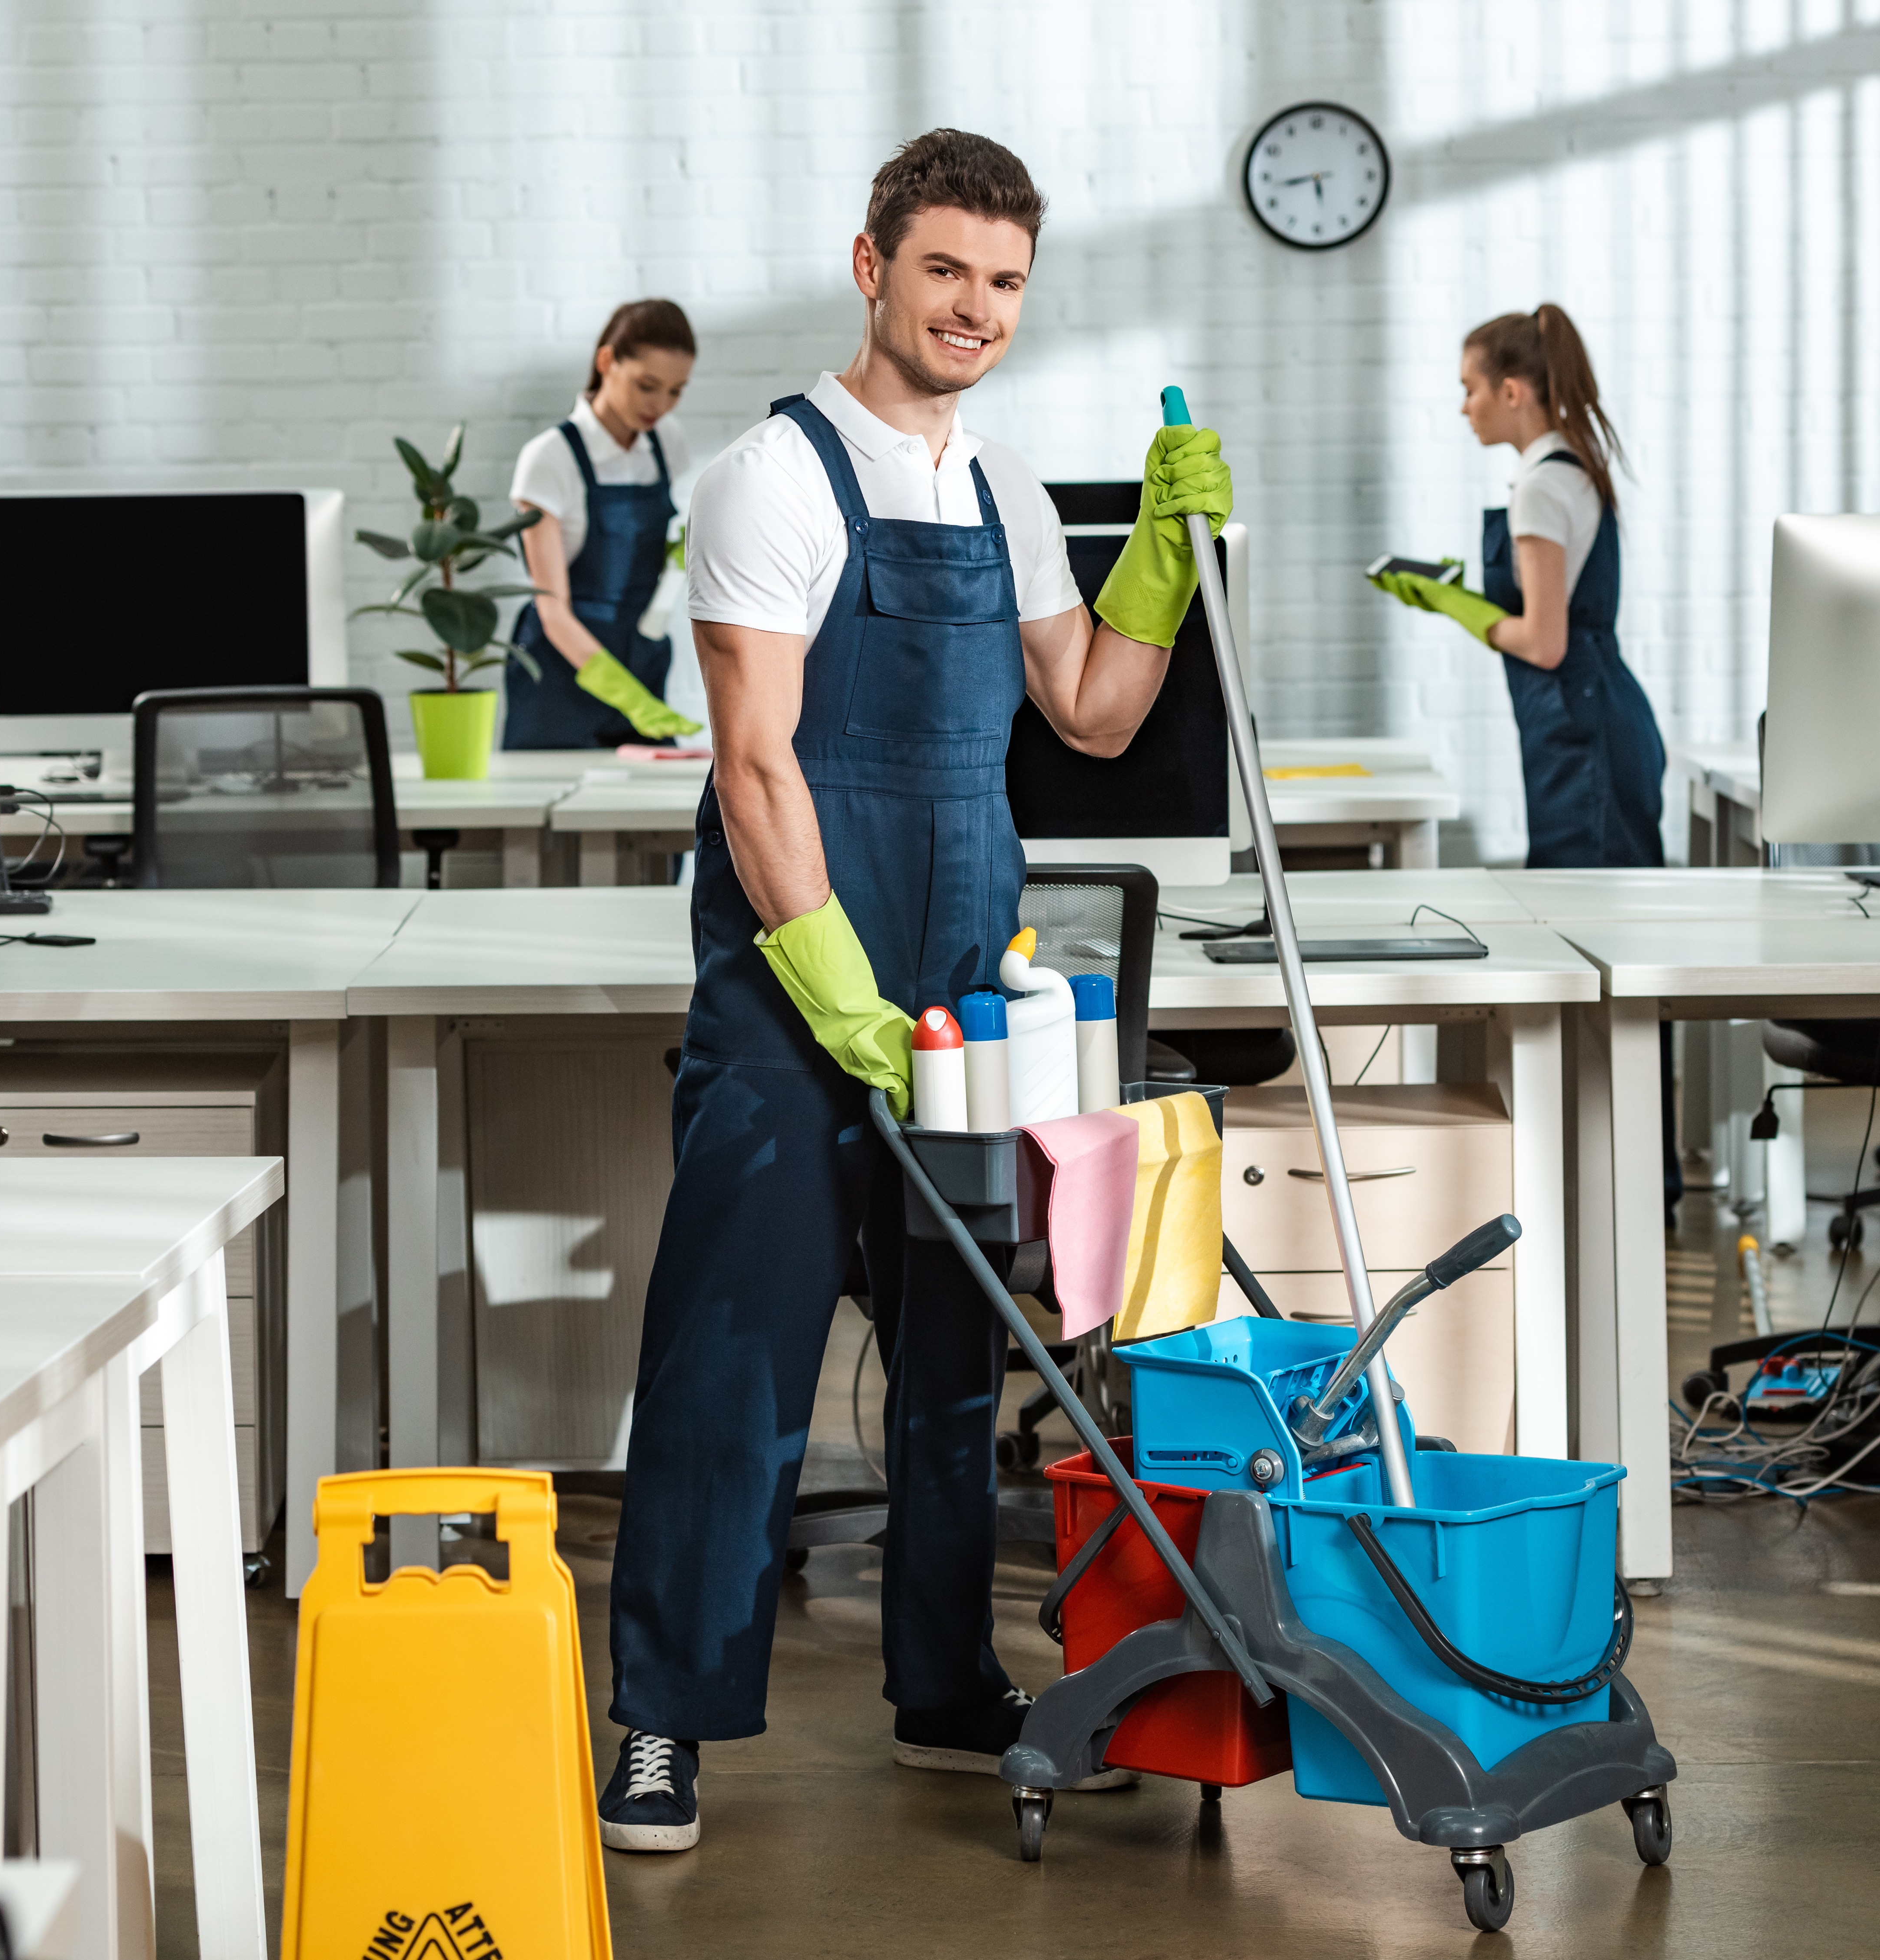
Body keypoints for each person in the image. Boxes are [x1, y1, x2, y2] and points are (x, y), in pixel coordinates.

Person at [594, 128, 1231, 1853]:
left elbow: (1090, 709)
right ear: (871, 265)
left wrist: (1157, 559)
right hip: (802, 983)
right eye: (943, 268)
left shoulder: (1009, 492)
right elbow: (753, 764)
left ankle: (945, 1684)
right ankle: (660, 1718)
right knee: (739, 1345)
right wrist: (831, 991)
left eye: (1004, 281)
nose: (973, 307)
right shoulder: (768, 478)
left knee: (961, 1351)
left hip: (966, 979)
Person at [1373, 304, 1665, 869]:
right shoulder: (1574, 466)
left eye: (1470, 389)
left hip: (1580, 731)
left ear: (1511, 393)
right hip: (1600, 714)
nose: (1463, 408)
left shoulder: (1539, 488)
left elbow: (1545, 641)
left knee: (1581, 907)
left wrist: (1457, 605)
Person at [508, 299, 706, 747]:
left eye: (675, 391)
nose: (660, 405)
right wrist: (628, 699)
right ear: (606, 362)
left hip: (639, 657)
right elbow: (552, 609)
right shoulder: (549, 459)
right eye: (646, 386)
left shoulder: (666, 443)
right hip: (559, 674)